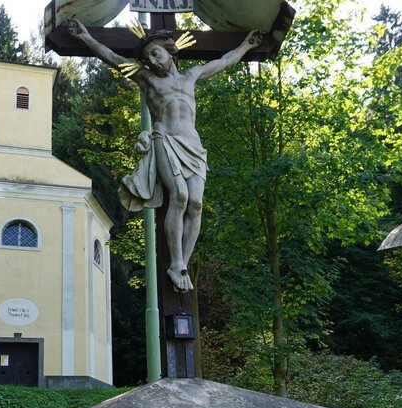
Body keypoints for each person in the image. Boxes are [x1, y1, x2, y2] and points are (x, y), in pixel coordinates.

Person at [67, 18, 263, 292]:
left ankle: (182, 261)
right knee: (180, 196)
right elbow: (111, 56)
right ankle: (176, 263)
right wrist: (85, 37)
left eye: (156, 54)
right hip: (165, 140)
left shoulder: (191, 76)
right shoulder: (146, 79)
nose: (153, 62)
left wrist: (245, 45)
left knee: (196, 204)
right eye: (148, 58)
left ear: (170, 52)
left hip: (193, 146)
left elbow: (224, 61)